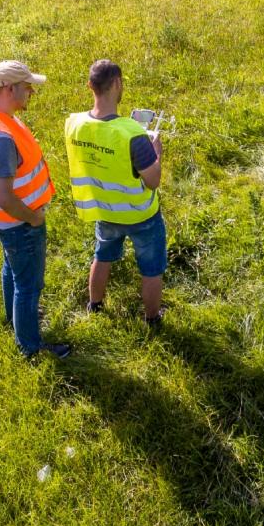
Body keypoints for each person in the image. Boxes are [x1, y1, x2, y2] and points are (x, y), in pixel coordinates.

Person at [0, 60, 71, 358]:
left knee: (12, 270)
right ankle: (31, 347)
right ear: (10, 88)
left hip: (6, 222)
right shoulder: (0, 137)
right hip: (19, 222)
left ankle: (13, 319)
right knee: (28, 285)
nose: (30, 93)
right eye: (27, 88)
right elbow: (4, 197)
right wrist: (34, 217)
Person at [64, 59, 167, 326]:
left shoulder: (74, 124)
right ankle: (152, 319)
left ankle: (94, 305)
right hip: (140, 214)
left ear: (90, 86)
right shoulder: (132, 133)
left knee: (103, 255)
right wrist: (156, 153)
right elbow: (153, 180)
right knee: (151, 268)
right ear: (118, 84)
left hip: (104, 209)